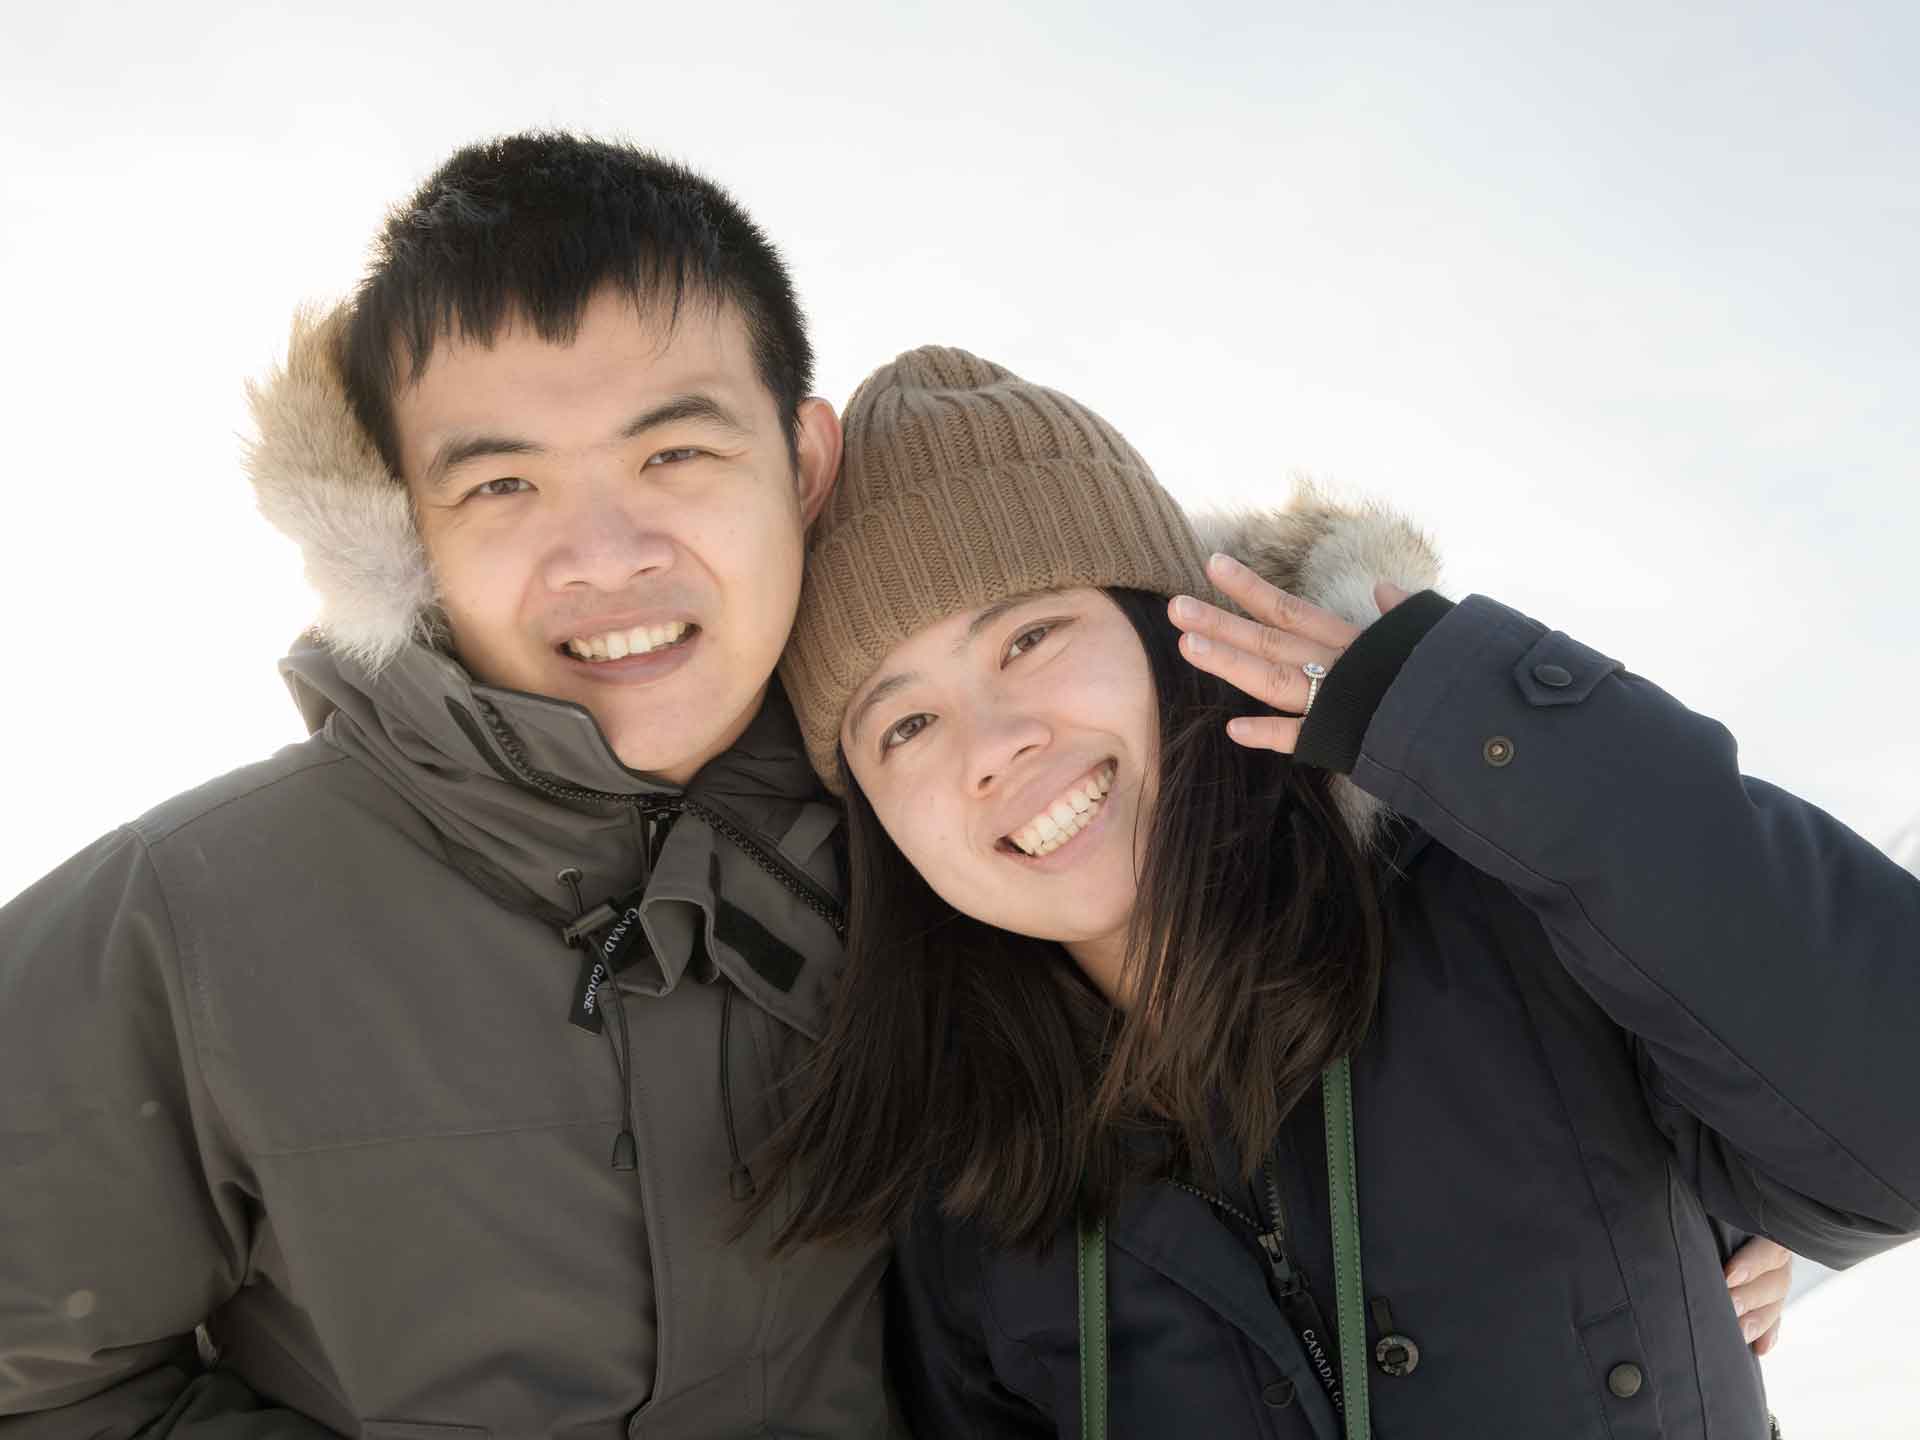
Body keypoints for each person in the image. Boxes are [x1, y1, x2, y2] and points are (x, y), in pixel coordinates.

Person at [764, 345, 1920, 1437]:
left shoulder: (1503, 905)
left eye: (1029, 638)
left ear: (1175, 639)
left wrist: (1469, 720)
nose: (993, 744)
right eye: (904, 721)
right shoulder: (965, 1216)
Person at [0, 134, 902, 1436]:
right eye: (503, 484)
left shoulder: (948, 845)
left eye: (675, 456)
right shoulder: (190, 913)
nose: (605, 556)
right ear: (406, 528)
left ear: (804, 466)